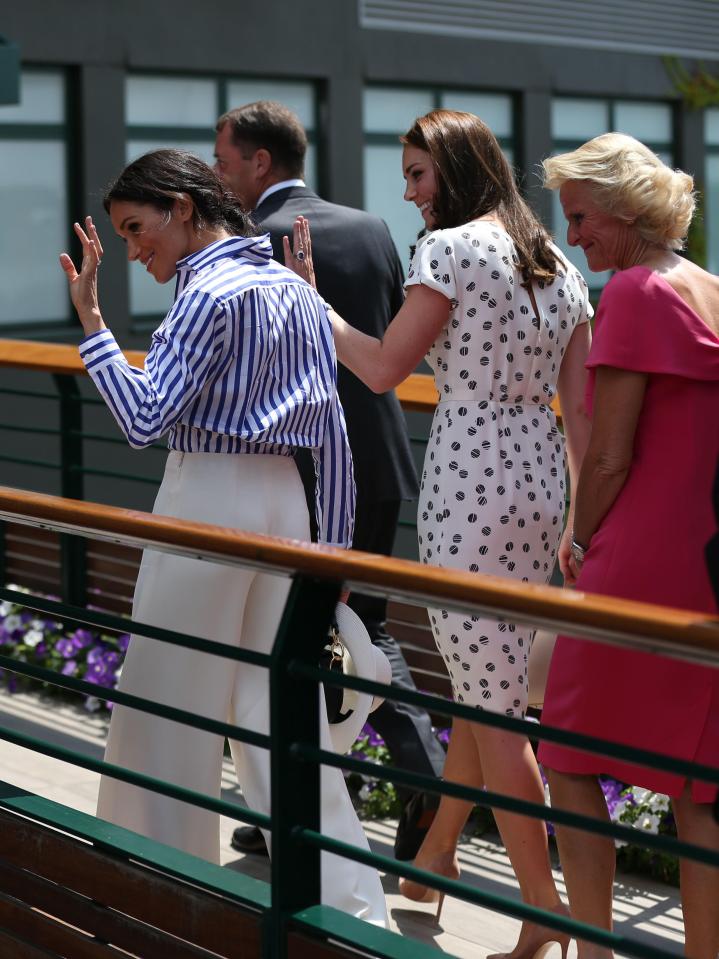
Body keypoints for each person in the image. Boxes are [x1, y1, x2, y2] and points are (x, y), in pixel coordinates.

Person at [287, 109, 593, 959]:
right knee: (484, 687)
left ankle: (542, 912)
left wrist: (314, 303)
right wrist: (579, 518)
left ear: (454, 172)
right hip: (538, 484)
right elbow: (583, 416)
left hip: (470, 484)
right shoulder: (558, 264)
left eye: (418, 174)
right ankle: (430, 861)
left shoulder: (449, 249)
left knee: (494, 710)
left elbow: (382, 367)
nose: (408, 190)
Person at [58, 148, 387, 925]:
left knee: (166, 703)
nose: (136, 250)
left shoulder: (206, 293)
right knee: (281, 718)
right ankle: (348, 912)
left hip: (207, 497)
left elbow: (143, 419)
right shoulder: (294, 290)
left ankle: (151, 891)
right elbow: (331, 437)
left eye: (139, 229)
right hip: (288, 511)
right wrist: (331, 554)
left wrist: (93, 326)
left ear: (181, 206)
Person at [214, 100, 446, 860]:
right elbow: (381, 340)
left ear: (258, 162)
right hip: (378, 458)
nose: (218, 176)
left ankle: (323, 806)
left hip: (307, 466)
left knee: (295, 638)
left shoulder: (251, 241)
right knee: (363, 625)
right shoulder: (372, 227)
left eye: (223, 162)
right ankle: (381, 783)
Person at [539, 133, 719, 959]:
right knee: (695, 783)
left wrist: (576, 541)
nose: (572, 237)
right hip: (704, 557)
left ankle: (592, 949)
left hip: (636, 557)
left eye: (579, 218)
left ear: (622, 208)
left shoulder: (635, 293)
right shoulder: (709, 288)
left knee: (568, 747)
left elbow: (609, 456)